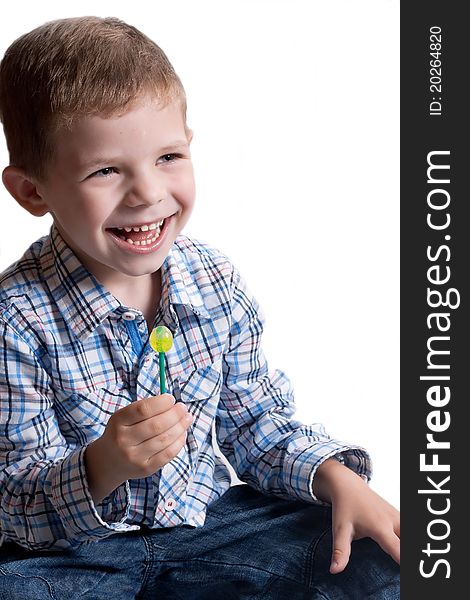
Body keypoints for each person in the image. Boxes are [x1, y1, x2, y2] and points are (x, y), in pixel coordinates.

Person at [0, 16, 399, 599]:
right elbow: (14, 499)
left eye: (167, 157)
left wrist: (336, 478)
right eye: (105, 170)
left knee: (374, 565)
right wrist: (102, 466)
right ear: (32, 191)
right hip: (72, 556)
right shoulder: (16, 318)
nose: (148, 194)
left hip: (214, 526)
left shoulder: (212, 279)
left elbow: (256, 420)